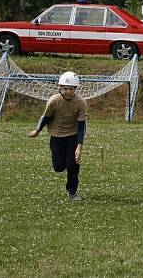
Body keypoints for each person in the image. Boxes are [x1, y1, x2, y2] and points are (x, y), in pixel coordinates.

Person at [29, 71, 87, 201]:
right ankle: (65, 161)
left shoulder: (81, 102)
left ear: (75, 89)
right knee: (59, 167)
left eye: (70, 89)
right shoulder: (54, 101)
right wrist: (37, 131)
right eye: (65, 88)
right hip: (56, 136)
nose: (67, 91)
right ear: (60, 88)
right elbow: (45, 118)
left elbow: (82, 126)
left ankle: (72, 192)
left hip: (73, 136)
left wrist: (79, 147)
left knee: (73, 166)